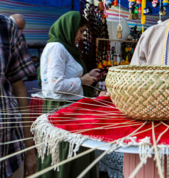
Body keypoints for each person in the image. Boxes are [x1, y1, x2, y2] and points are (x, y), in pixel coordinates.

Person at [35, 11, 99, 177]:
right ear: (69, 29)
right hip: (62, 111)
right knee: (65, 153)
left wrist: (87, 75)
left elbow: (65, 75)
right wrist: (82, 81)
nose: (82, 36)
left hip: (70, 110)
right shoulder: (57, 48)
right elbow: (56, 85)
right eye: (81, 31)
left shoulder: (65, 48)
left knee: (74, 153)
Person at [0, 15, 36, 178]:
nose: (21, 32)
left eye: (23, 28)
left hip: (9, 151)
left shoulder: (6, 27)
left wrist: (29, 150)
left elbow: (19, 89)